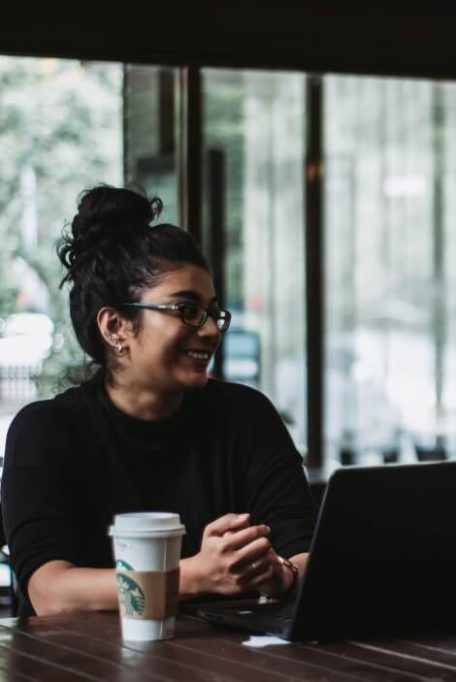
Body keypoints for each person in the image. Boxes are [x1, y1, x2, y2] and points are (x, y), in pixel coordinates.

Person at [1, 186, 316, 616]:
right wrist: (196, 575)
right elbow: (51, 592)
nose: (209, 330)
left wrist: (278, 574)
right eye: (186, 310)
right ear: (116, 327)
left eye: (212, 311)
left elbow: (304, 556)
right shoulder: (48, 431)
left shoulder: (246, 417)